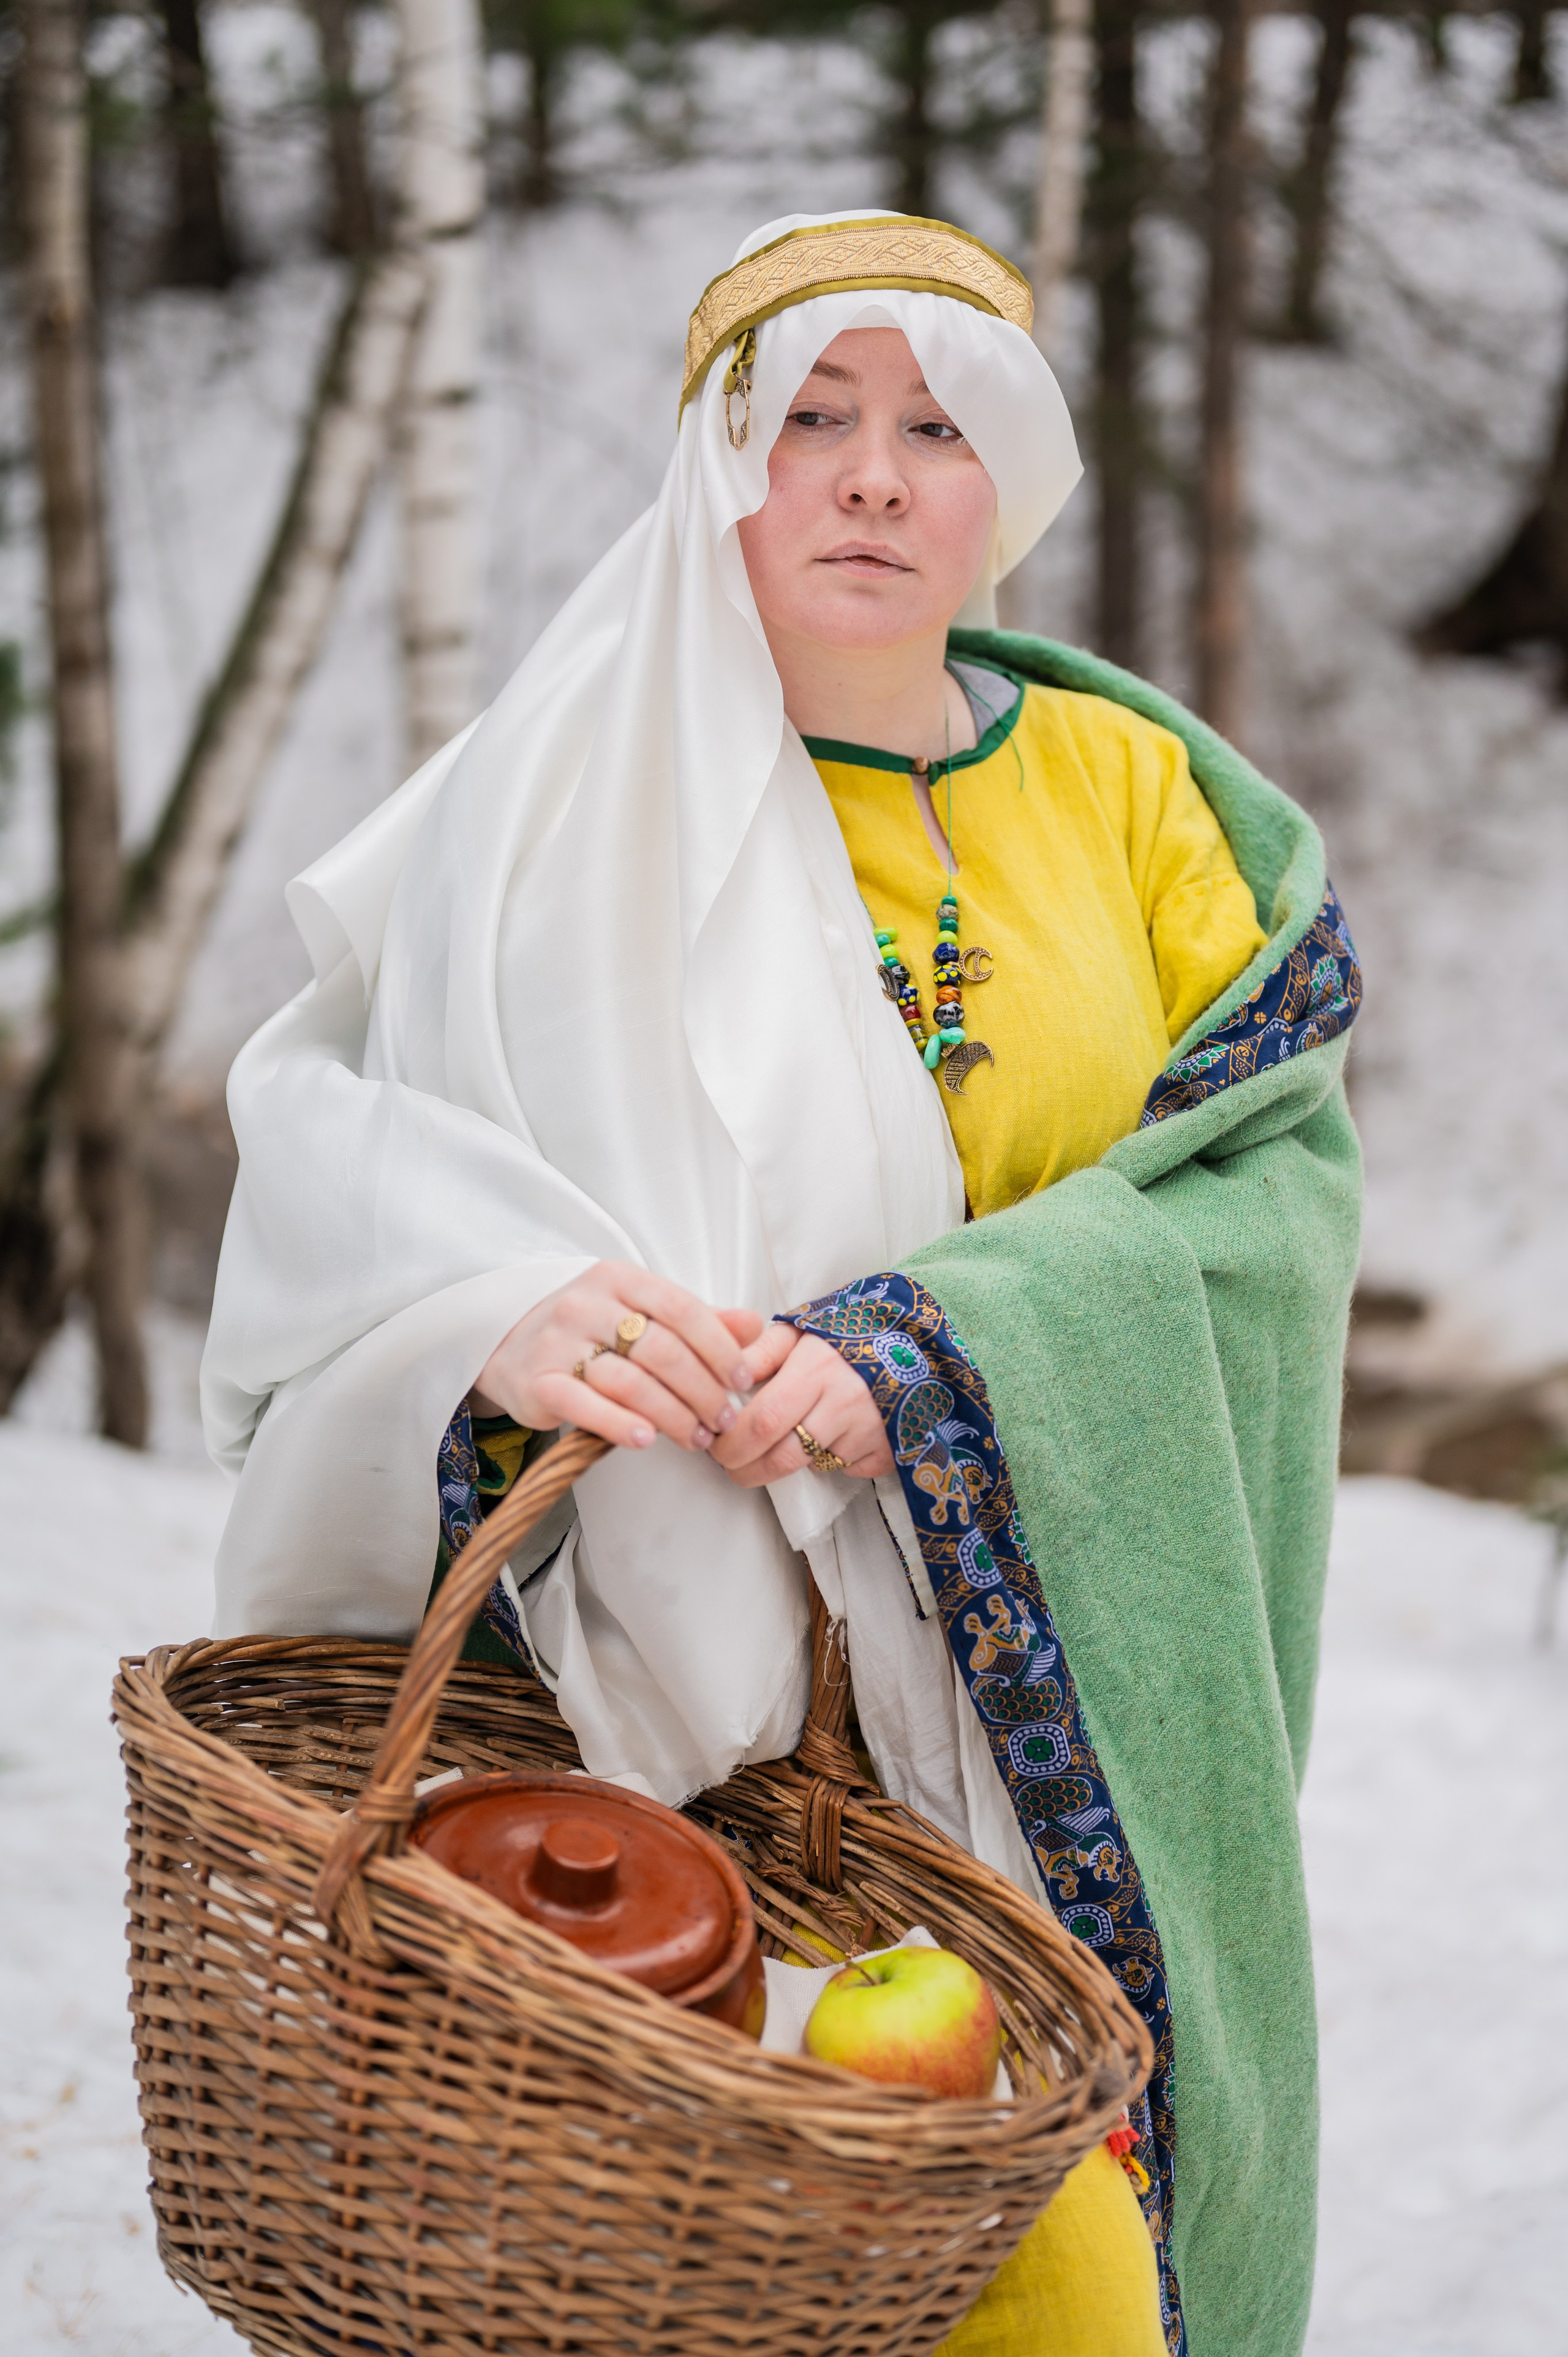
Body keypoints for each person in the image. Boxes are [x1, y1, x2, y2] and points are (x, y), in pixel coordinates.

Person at [203, 209, 1362, 2357]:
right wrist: (495, 1304)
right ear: (708, 466)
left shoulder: (1137, 798)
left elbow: (1262, 1194)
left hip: (1028, 1692)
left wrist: (935, 1355)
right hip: (648, 1717)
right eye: (808, 417)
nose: (870, 474)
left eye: (936, 425)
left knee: (1062, 2278)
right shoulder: (547, 800)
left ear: (1005, 479)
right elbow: (333, 1131)